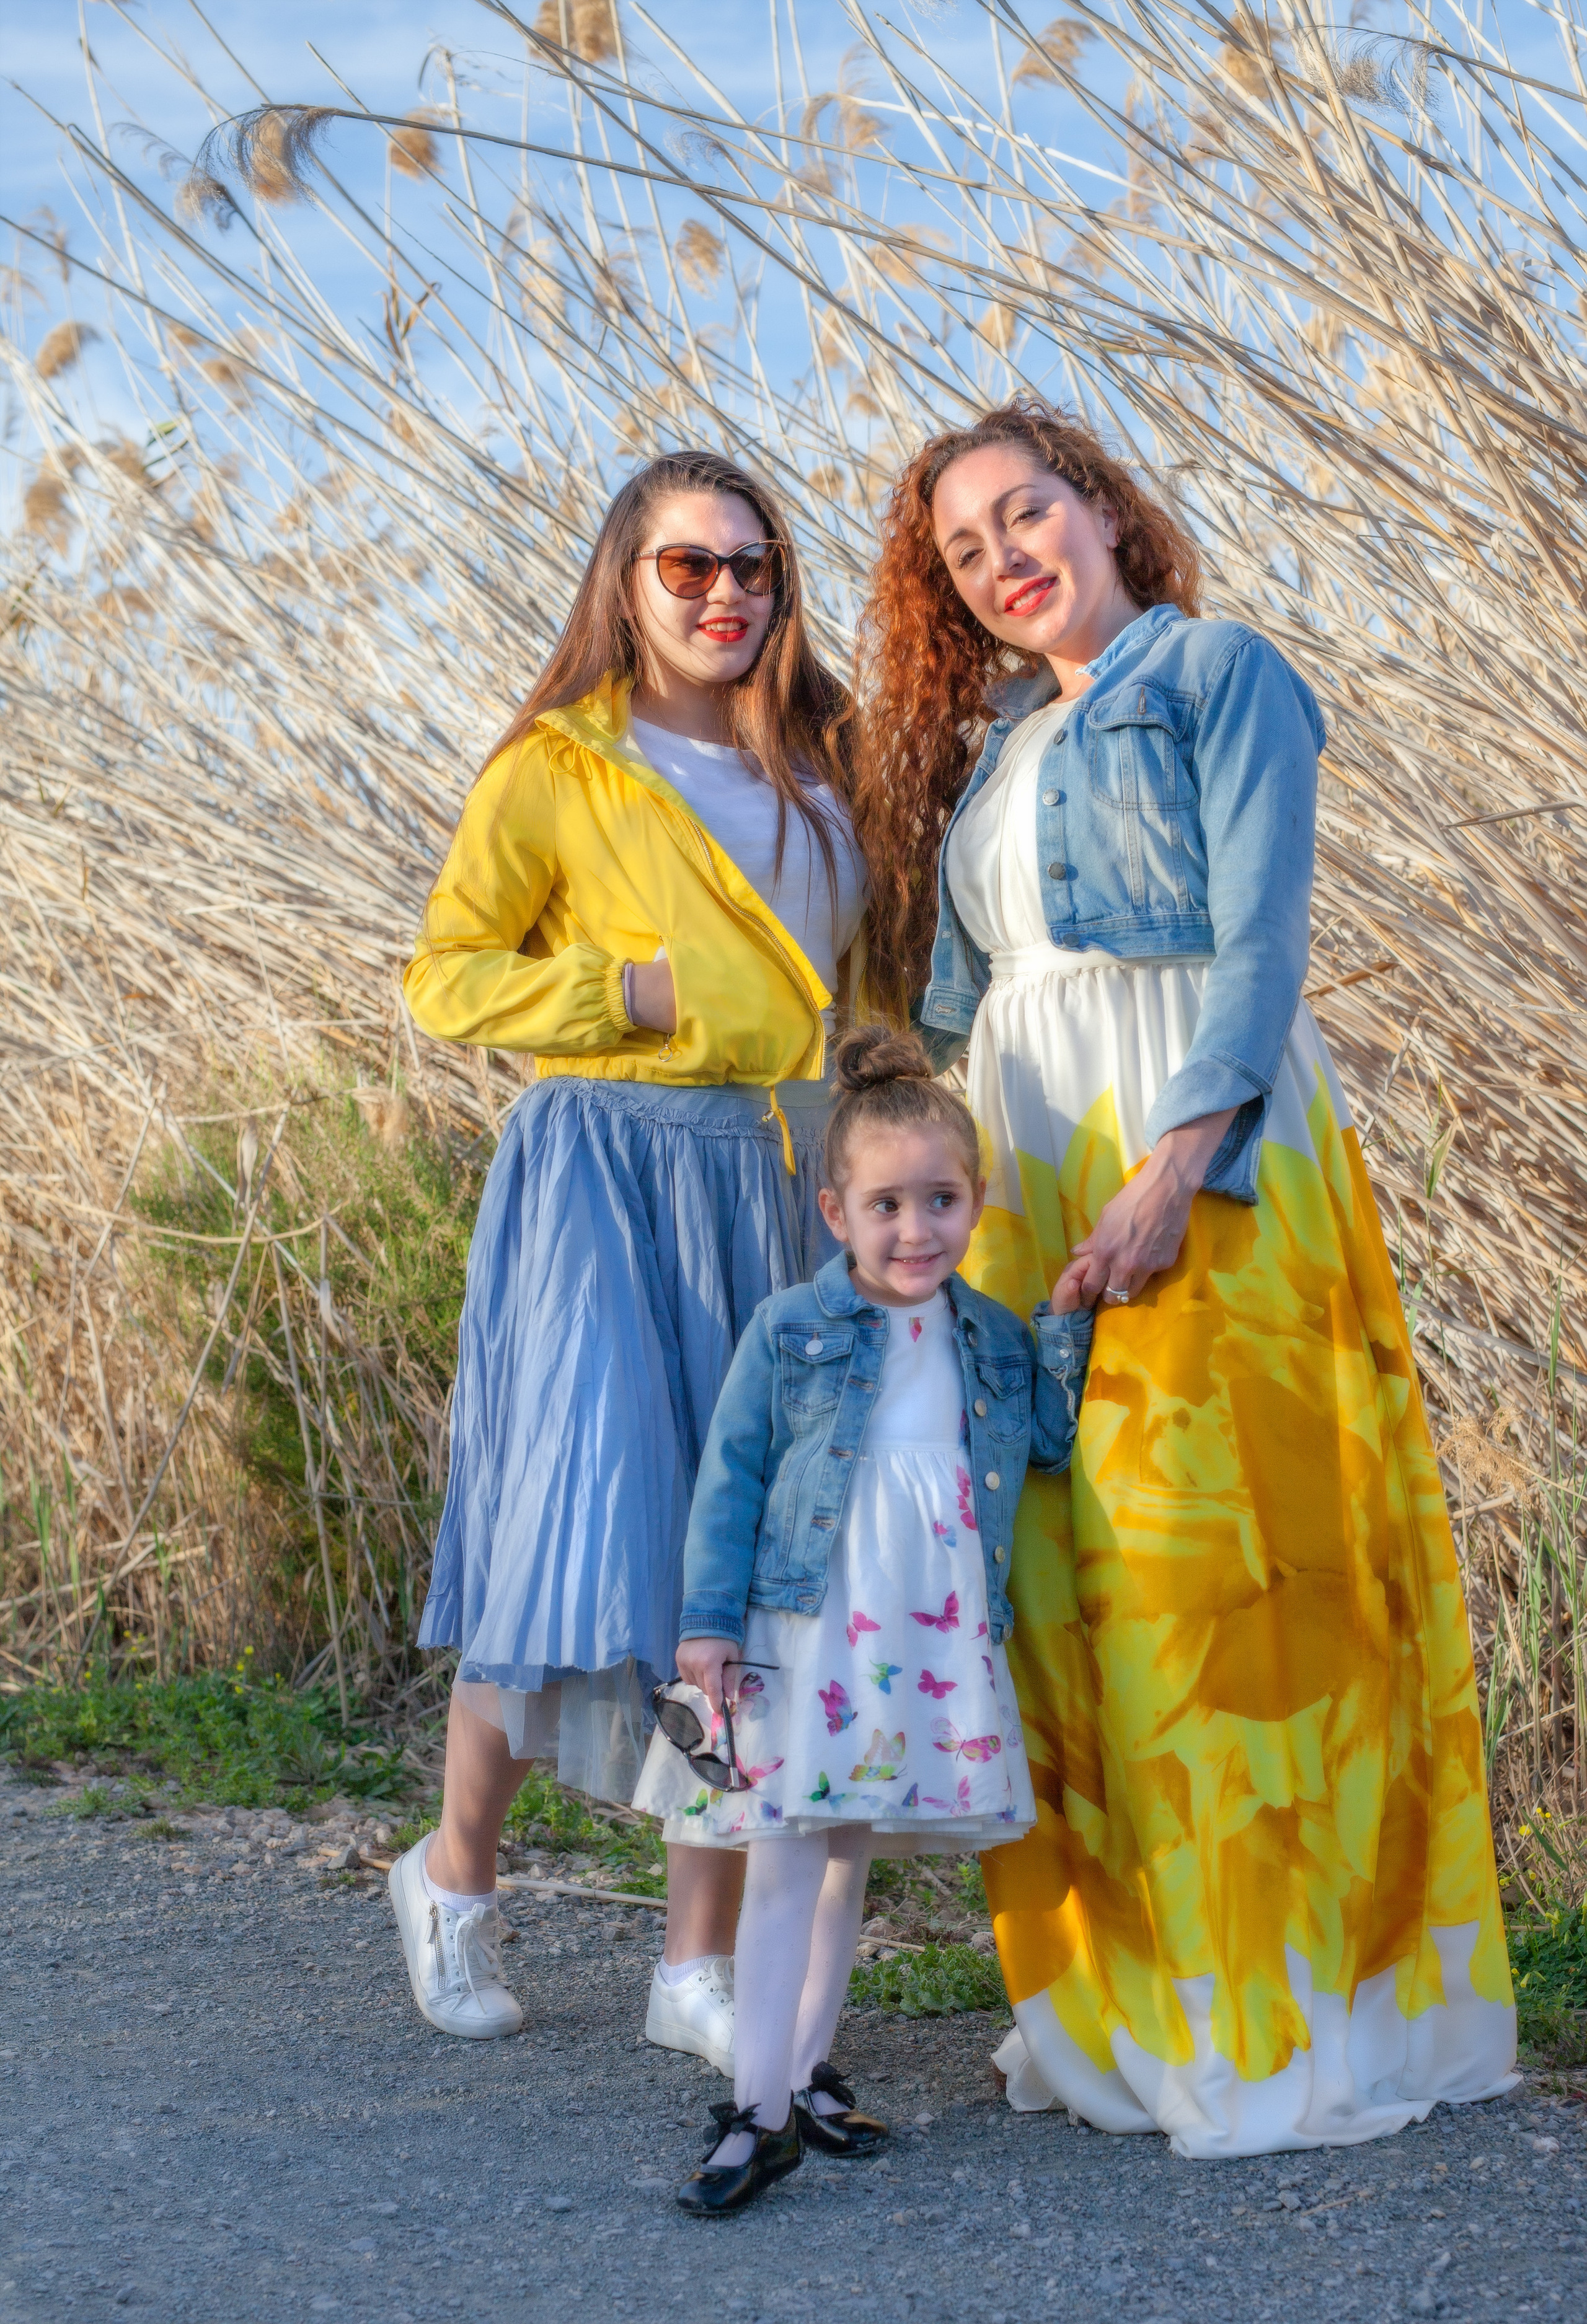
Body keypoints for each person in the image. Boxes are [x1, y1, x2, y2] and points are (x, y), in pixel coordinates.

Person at [850, 400, 1516, 2158]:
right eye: (966, 547)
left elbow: (1261, 935)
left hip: (1193, 1159)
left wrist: (1172, 1167)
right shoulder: (995, 757)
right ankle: (1122, 2011)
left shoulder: (1217, 669)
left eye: (1027, 509)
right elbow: (946, 1015)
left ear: (1107, 508)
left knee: (1222, 1585)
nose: (1005, 555)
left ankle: (1280, 2008)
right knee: (1074, 1588)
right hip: (1030, 1184)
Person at [391, 451, 870, 2072]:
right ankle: (454, 1875)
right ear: (627, 580)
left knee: (733, 1572)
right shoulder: (559, 764)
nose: (726, 594)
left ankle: (698, 1960)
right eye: (688, 567)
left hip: (775, 1175)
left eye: (753, 567)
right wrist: (625, 993)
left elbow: (855, 992)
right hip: (602, 1161)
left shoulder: (830, 759)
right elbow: (446, 978)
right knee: (566, 1527)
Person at [632, 1026, 1094, 2213]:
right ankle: (756, 2107)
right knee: (785, 1859)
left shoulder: (987, 1334)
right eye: (886, 1204)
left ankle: (802, 2070)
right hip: (808, 1630)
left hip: (919, 1634)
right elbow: (730, 1476)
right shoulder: (792, 1328)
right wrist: (707, 1625)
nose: (915, 1229)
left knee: (843, 1867)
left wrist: (1073, 1320)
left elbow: (1044, 1440)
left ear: (975, 1201)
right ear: (836, 1209)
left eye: (940, 1200)